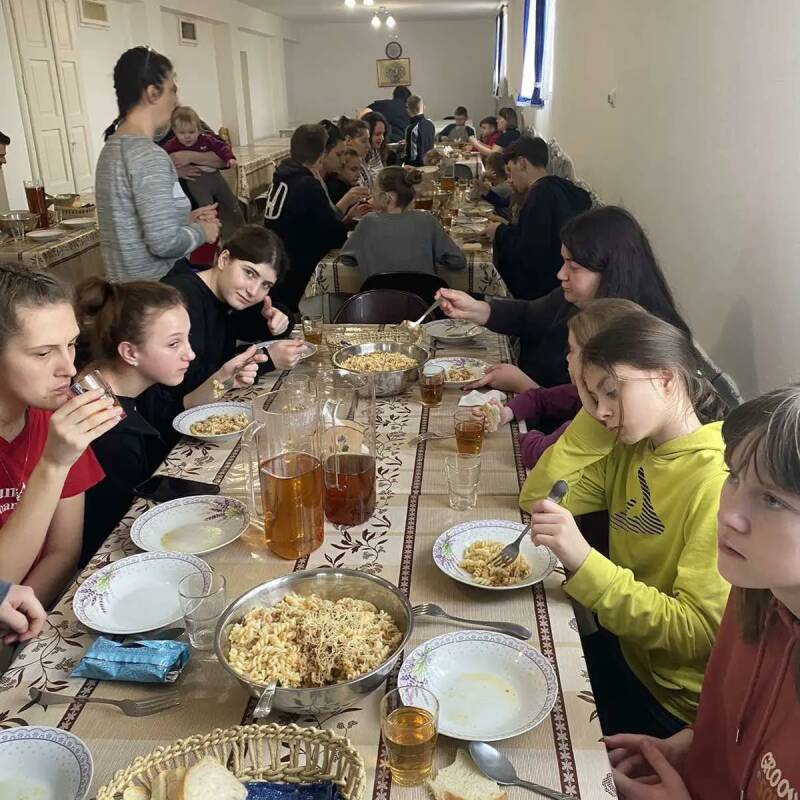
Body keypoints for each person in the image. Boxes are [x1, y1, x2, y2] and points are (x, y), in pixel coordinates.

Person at [521, 311, 730, 737]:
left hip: (670, 704)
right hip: (624, 651)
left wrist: (584, 560)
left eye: (613, 392)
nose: (601, 410)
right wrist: (594, 418)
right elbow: (537, 498)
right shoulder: (633, 450)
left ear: (666, 379)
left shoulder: (717, 482)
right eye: (592, 397)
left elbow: (698, 633)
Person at [606, 385, 800, 800]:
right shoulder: (754, 593)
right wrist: (687, 746)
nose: (728, 514)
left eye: (771, 500)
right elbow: (732, 722)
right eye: (734, 477)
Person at [435, 205, 690, 390]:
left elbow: (596, 422)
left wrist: (526, 387)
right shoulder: (577, 299)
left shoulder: (642, 337)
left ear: (611, 272)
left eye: (573, 267)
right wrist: (475, 309)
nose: (561, 274)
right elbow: (529, 315)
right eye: (563, 262)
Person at [0, 265, 122, 608]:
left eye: (70, 345)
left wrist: (22, 617)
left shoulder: (55, 418)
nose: (69, 368)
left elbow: (63, 553)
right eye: (43, 353)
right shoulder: (60, 435)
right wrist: (54, 464)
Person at [154, 225, 305, 435]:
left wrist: (278, 320)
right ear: (224, 259)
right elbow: (188, 383)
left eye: (266, 285)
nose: (253, 291)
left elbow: (252, 323)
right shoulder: (180, 300)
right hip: (165, 427)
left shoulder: (226, 294)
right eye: (249, 273)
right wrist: (267, 360)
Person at [96, 47, 220, 282]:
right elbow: (163, 244)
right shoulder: (149, 155)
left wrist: (185, 221)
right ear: (153, 93)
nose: (176, 101)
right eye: (173, 90)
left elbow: (132, 229)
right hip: (155, 291)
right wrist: (203, 232)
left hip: (125, 290)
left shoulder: (110, 149)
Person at [496, 298, 644, 469]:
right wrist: (507, 412)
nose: (567, 357)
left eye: (572, 350)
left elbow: (536, 454)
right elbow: (540, 398)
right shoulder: (581, 394)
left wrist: (524, 435)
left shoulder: (596, 420)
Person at [263, 124, 366, 311]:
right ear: (322, 155)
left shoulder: (284, 176)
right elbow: (333, 236)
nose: (342, 159)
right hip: (296, 274)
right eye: (338, 154)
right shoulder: (307, 185)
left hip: (278, 263)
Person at [487, 137, 592, 301]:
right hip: (557, 277)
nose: (510, 179)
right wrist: (505, 227)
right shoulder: (558, 186)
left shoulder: (539, 194)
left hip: (542, 289)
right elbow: (533, 234)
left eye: (510, 170)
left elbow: (529, 251)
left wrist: (498, 232)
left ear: (522, 163)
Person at [339, 166, 466, 280]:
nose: (371, 194)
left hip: (377, 297)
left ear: (385, 197)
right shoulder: (427, 220)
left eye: (374, 190)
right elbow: (457, 261)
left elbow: (346, 258)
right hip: (423, 297)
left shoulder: (367, 222)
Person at [162, 106, 244, 240]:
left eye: (191, 132)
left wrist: (229, 158)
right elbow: (161, 161)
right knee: (207, 211)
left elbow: (222, 147)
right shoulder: (171, 145)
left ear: (198, 129)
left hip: (213, 177)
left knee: (231, 203)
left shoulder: (205, 139)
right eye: (182, 133)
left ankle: (239, 231)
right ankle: (214, 238)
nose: (187, 136)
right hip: (193, 183)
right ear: (174, 131)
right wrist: (175, 171)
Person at [318, 121, 370, 213]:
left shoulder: (326, 179)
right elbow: (325, 220)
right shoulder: (312, 183)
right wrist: (347, 200)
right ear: (323, 153)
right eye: (338, 154)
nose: (342, 161)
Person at [470, 151, 512, 219]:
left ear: (492, 171)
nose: (485, 171)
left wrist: (482, 177)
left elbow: (473, 197)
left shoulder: (503, 187)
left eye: (487, 169)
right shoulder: (497, 185)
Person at [338, 117, 373, 188]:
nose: (369, 146)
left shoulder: (362, 161)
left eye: (368, 140)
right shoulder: (342, 165)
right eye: (363, 141)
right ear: (348, 140)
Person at [403, 95, 435, 168]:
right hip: (430, 165)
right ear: (423, 107)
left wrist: (402, 159)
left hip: (417, 168)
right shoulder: (430, 124)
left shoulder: (412, 128)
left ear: (408, 109)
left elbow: (412, 156)